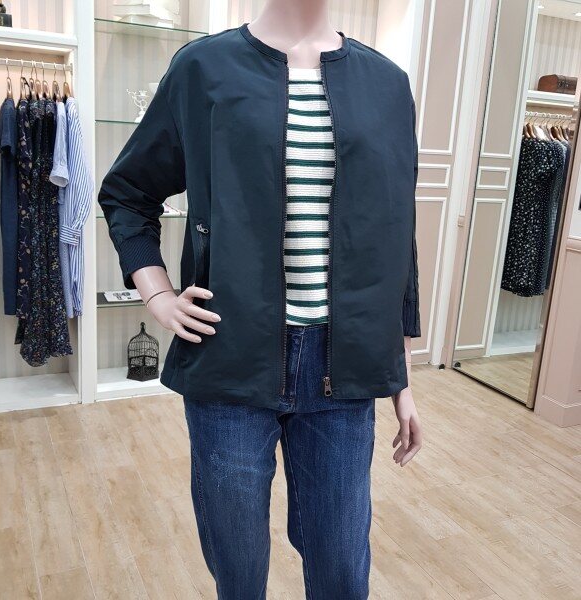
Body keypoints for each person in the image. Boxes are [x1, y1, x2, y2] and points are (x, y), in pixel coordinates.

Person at [98, 1, 424, 597]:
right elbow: (128, 191)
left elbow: (396, 232)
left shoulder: (387, 84)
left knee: (341, 567)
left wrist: (398, 372)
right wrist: (158, 295)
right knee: (238, 566)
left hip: (345, 368)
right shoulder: (203, 69)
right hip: (231, 357)